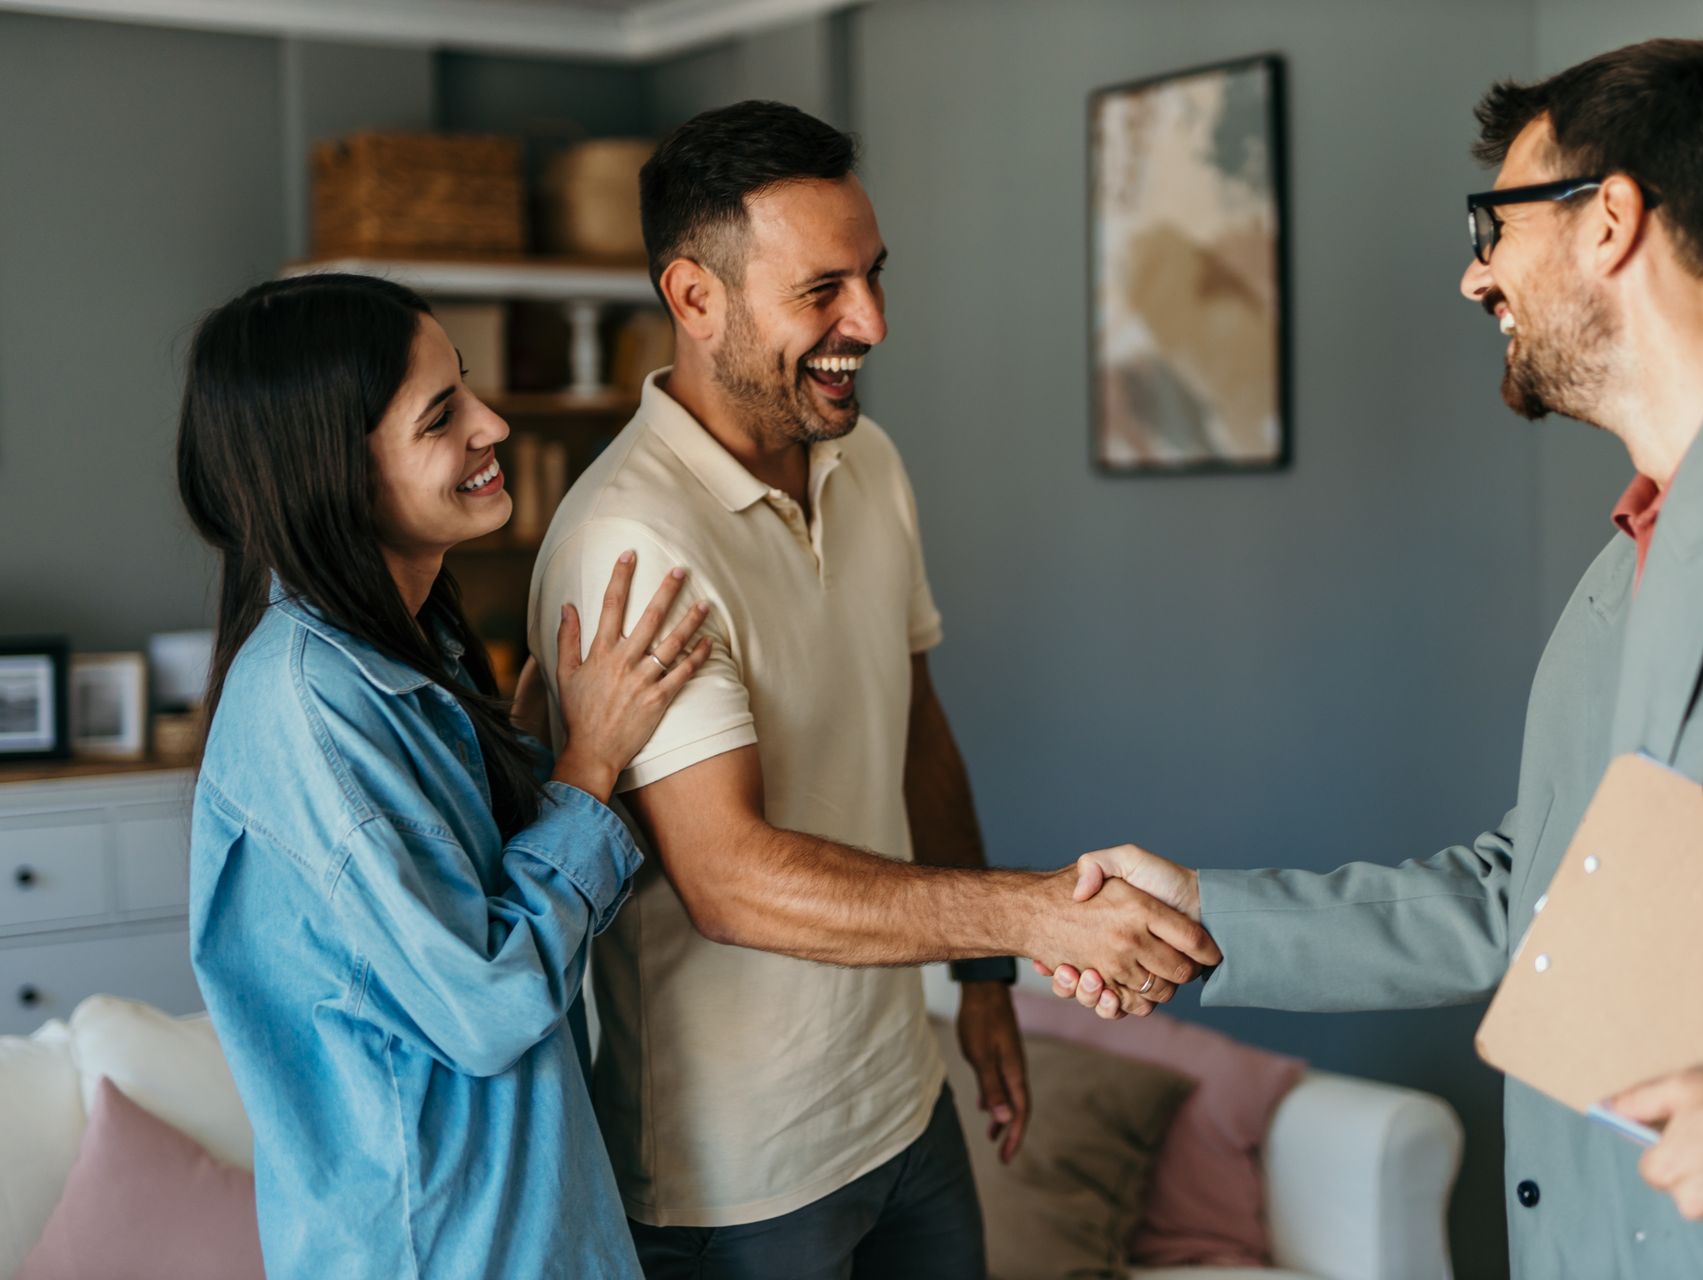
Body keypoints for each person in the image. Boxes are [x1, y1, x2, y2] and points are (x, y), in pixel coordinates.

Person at [1048, 39, 1703, 1279]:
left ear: (1610, 219)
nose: (1475, 277)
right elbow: (1527, 905)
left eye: (1495, 223)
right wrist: (1202, 916)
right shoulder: (1614, 578)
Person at [527, 101, 1219, 1279]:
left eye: (875, 276)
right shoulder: (631, 541)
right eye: (824, 291)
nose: (874, 323)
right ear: (694, 298)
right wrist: (1034, 912)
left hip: (904, 1103)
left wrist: (987, 979)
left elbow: (916, 731)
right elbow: (730, 879)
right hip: (738, 1180)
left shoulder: (869, 462)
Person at [178, 273, 708, 1278]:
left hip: (525, 1223)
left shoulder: (412, 650)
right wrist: (588, 763)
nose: (495, 423)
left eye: (466, 387)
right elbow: (483, 1000)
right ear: (333, 470)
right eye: (441, 416)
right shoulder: (310, 708)